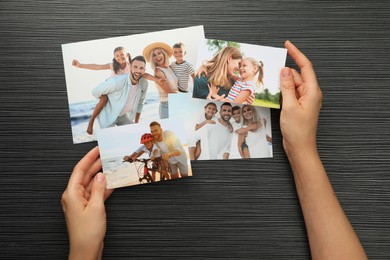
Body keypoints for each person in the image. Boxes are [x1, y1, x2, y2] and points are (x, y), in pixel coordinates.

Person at [62, 41, 367, 259]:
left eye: (243, 65)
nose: (239, 67)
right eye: (238, 63)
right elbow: (154, 136)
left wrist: (83, 253)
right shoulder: (138, 80)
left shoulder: (190, 83)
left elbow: (179, 119)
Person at [72, 47, 163, 134]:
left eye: (122, 55)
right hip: (110, 89)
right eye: (117, 56)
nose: (120, 57)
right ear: (114, 57)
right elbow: (96, 67)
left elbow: (144, 75)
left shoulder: (132, 65)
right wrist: (80, 65)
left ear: (127, 55)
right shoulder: (113, 65)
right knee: (103, 100)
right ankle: (91, 121)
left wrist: (157, 80)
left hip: (122, 92)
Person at [91, 56, 149, 129]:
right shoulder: (117, 82)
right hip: (109, 115)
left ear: (144, 70)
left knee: (132, 133)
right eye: (135, 67)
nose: (138, 70)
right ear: (130, 67)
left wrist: (136, 122)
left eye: (141, 68)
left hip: (123, 115)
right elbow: (95, 91)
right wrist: (104, 98)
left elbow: (140, 102)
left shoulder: (144, 83)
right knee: (110, 139)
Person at [143, 42, 179, 119]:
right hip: (167, 106)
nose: (157, 56)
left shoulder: (170, 68)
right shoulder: (158, 71)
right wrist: (185, 97)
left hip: (176, 102)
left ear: (164, 54)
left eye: (159, 53)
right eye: (154, 55)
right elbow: (169, 91)